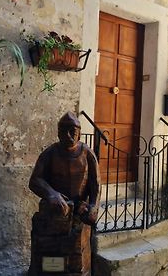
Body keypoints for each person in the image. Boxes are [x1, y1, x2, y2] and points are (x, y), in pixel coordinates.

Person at [29, 111, 101, 276]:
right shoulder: (50, 153)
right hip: (55, 211)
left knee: (77, 254)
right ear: (58, 132)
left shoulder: (87, 154)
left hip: (78, 212)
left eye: (72, 132)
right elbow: (34, 181)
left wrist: (93, 207)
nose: (68, 135)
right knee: (49, 249)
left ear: (79, 134)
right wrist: (52, 194)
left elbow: (95, 185)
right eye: (64, 131)